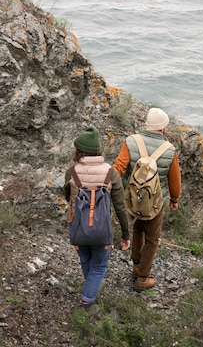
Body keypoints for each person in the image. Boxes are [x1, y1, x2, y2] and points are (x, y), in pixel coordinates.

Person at [112, 108, 181, 292]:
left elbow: (118, 168)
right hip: (156, 204)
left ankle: (136, 266)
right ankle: (143, 277)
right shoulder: (169, 150)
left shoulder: (131, 142)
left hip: (133, 199)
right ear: (163, 128)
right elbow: (174, 180)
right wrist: (174, 199)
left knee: (137, 228)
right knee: (152, 239)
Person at [64, 126, 131, 312]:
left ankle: (90, 287)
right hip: (101, 229)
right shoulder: (111, 173)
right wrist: (125, 234)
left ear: (78, 151)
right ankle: (87, 301)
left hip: (77, 227)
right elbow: (120, 207)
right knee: (100, 266)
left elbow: (67, 196)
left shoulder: (72, 172)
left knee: (86, 260)